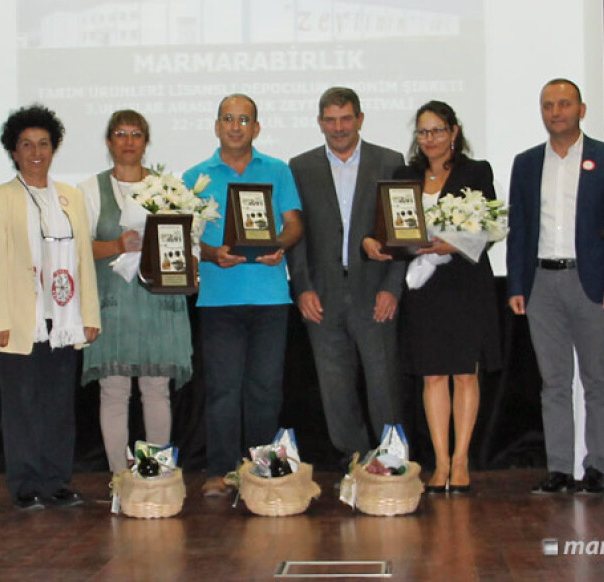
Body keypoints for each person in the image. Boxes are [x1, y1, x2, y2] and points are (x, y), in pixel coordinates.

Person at [366, 100, 501, 494]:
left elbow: (490, 227)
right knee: (433, 374)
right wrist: (374, 241)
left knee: (464, 373)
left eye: (438, 130)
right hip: (424, 290)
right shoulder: (403, 175)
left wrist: (454, 244)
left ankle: (461, 462)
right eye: (423, 132)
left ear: (454, 132)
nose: (431, 139)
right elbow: (389, 228)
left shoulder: (476, 172)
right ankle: (439, 462)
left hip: (465, 285)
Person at [0, 104, 100, 510]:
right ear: (13, 151)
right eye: (26, 144)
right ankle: (26, 483)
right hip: (18, 320)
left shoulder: (72, 197)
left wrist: (90, 316)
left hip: (64, 319)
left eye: (43, 144)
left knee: (59, 405)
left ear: (54, 148)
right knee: (22, 406)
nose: (36, 152)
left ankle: (56, 480)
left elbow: (83, 258)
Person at [508, 80, 604, 495]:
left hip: (591, 283)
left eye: (564, 104)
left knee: (597, 380)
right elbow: (519, 228)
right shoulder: (526, 163)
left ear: (582, 109)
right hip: (542, 283)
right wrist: (517, 284)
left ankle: (597, 467)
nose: (555, 111)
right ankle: (559, 468)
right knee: (554, 381)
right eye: (548, 105)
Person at [185, 94, 303, 497]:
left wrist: (280, 245)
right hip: (218, 299)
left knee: (265, 389)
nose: (236, 126)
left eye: (244, 119)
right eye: (228, 118)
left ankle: (263, 468)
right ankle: (220, 471)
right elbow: (183, 238)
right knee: (222, 389)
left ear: (256, 127)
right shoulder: (194, 178)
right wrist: (211, 253)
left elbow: (293, 224)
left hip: (271, 297)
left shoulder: (278, 171)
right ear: (217, 126)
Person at [287, 87, 406, 461]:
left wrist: (393, 289)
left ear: (360, 119)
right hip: (322, 294)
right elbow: (296, 233)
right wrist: (302, 287)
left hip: (374, 291)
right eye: (331, 120)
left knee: (383, 384)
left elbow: (402, 231)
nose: (339, 127)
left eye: (346, 118)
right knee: (335, 389)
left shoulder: (389, 161)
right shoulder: (300, 167)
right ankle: (354, 460)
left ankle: (391, 460)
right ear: (320, 122)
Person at [76, 110, 191, 477]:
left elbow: (185, 242)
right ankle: (120, 478)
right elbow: (77, 249)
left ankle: (156, 475)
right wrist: (116, 245)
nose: (128, 141)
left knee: (157, 390)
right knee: (113, 392)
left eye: (136, 134)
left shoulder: (169, 188)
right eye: (121, 134)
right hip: (114, 304)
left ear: (146, 141)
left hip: (159, 304)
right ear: (109, 142)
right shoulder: (89, 190)